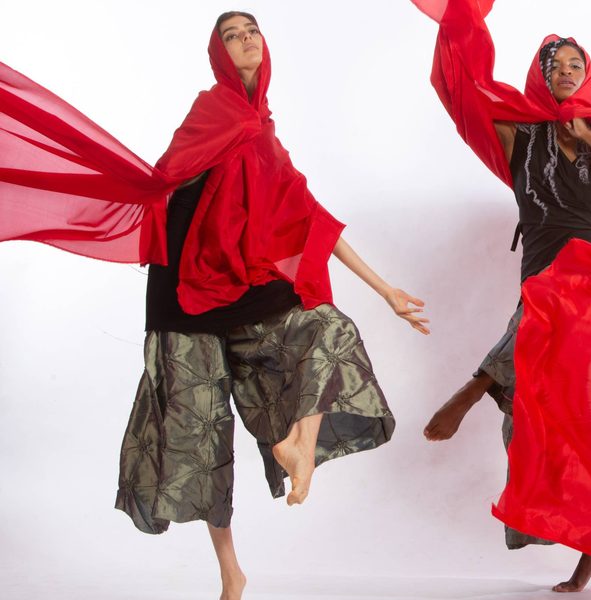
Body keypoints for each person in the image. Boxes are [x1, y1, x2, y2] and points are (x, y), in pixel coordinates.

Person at [104, 12, 427, 600]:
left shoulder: (264, 132)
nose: (245, 40)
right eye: (231, 36)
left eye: (251, 30)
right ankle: (231, 571)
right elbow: (167, 181)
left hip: (240, 279)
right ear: (219, 55)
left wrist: (386, 290)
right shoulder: (213, 110)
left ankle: (300, 445)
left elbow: (311, 216)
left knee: (328, 328)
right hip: (183, 287)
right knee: (202, 431)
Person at [422, 35, 591, 592]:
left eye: (578, 64)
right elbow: (464, 96)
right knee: (538, 416)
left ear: (589, 76)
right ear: (542, 77)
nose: (568, 71)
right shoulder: (519, 135)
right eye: (558, 65)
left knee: (587, 402)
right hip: (542, 277)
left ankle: (476, 385)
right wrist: (460, 27)